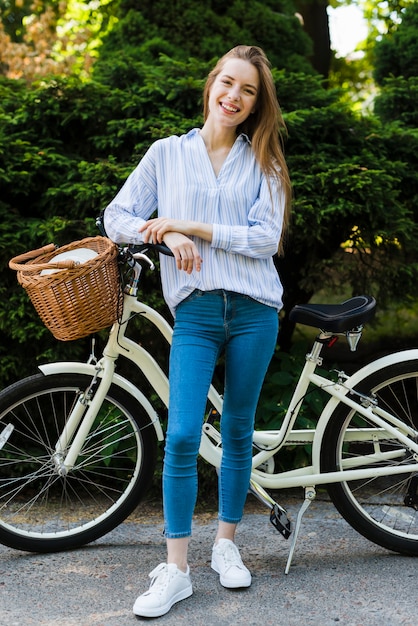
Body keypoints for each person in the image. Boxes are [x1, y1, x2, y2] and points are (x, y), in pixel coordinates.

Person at [104, 44, 292, 618]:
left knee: (237, 430)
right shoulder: (166, 154)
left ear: (257, 103)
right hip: (199, 312)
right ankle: (177, 569)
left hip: (256, 309)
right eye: (228, 83)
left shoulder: (265, 160)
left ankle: (227, 546)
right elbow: (116, 217)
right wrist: (162, 235)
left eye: (248, 91)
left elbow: (266, 239)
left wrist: (187, 224)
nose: (234, 97)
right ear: (212, 84)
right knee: (183, 435)